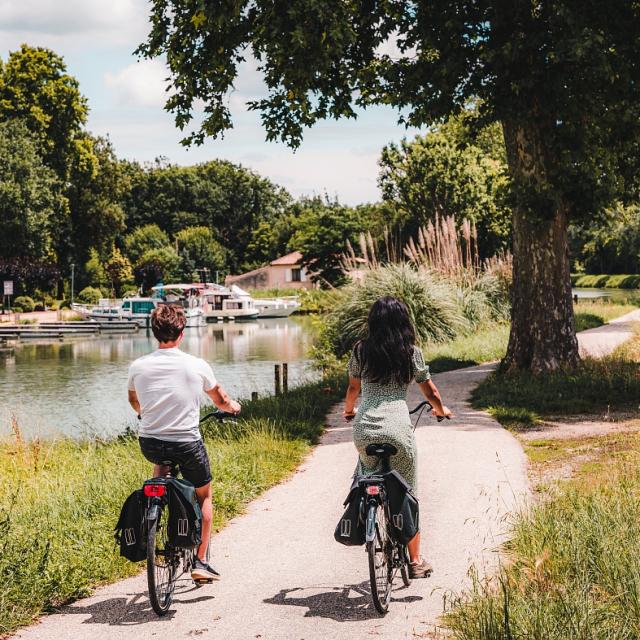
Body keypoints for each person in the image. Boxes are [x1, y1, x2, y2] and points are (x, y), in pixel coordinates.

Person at [127, 304, 241, 581]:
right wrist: (234, 408)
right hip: (187, 443)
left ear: (154, 333)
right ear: (181, 333)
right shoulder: (196, 364)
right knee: (204, 496)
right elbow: (221, 400)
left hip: (150, 442)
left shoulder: (138, 366)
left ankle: (158, 508)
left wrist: (145, 413)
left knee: (161, 471)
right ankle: (200, 562)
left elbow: (134, 400)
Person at [342, 296, 452, 579]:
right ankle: (415, 561)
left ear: (373, 320)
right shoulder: (410, 351)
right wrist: (442, 410)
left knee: (366, 474)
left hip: (364, 428)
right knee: (407, 492)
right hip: (397, 430)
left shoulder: (360, 350)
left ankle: (364, 512)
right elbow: (431, 393)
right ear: (403, 321)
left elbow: (353, 388)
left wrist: (349, 411)